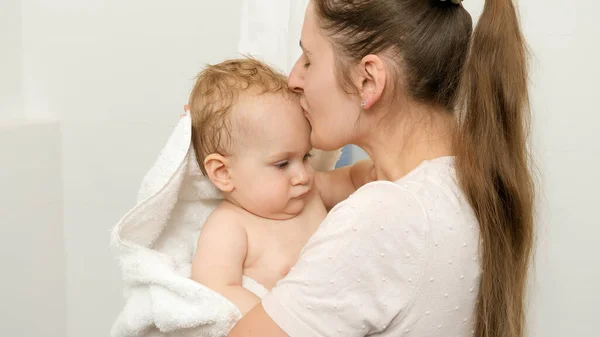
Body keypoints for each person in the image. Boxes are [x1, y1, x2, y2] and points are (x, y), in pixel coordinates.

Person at [228, 0, 534, 337]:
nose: (293, 79)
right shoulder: (469, 179)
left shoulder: (385, 216)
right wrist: (234, 136)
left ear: (368, 81)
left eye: (309, 60)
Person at [188, 58, 373, 315]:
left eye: (306, 157)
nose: (302, 175)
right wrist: (278, 324)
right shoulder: (229, 227)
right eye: (282, 164)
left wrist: (391, 164)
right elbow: (215, 290)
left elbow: (356, 179)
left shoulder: (311, 192)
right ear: (223, 173)